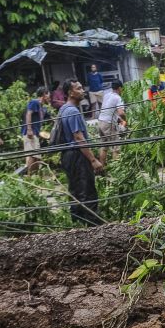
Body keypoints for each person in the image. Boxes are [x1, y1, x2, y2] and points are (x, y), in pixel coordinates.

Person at [54, 78, 103, 225]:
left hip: (68, 155)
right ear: (70, 93)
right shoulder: (72, 111)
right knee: (87, 192)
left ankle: (77, 225)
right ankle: (93, 226)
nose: (83, 91)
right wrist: (93, 160)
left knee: (75, 191)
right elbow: (78, 137)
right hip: (77, 156)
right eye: (79, 88)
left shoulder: (63, 109)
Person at [96, 79, 125, 163]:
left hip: (101, 122)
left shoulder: (107, 95)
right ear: (119, 88)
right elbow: (121, 112)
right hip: (109, 123)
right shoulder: (118, 97)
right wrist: (125, 120)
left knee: (104, 147)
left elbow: (110, 109)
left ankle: (102, 168)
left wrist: (118, 119)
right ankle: (117, 169)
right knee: (116, 148)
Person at [22, 86, 49, 175]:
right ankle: (29, 177)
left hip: (35, 134)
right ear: (44, 95)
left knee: (37, 157)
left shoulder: (42, 108)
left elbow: (51, 119)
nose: (49, 98)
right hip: (30, 133)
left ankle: (35, 177)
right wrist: (29, 129)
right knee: (33, 156)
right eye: (48, 95)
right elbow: (28, 114)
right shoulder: (35, 102)